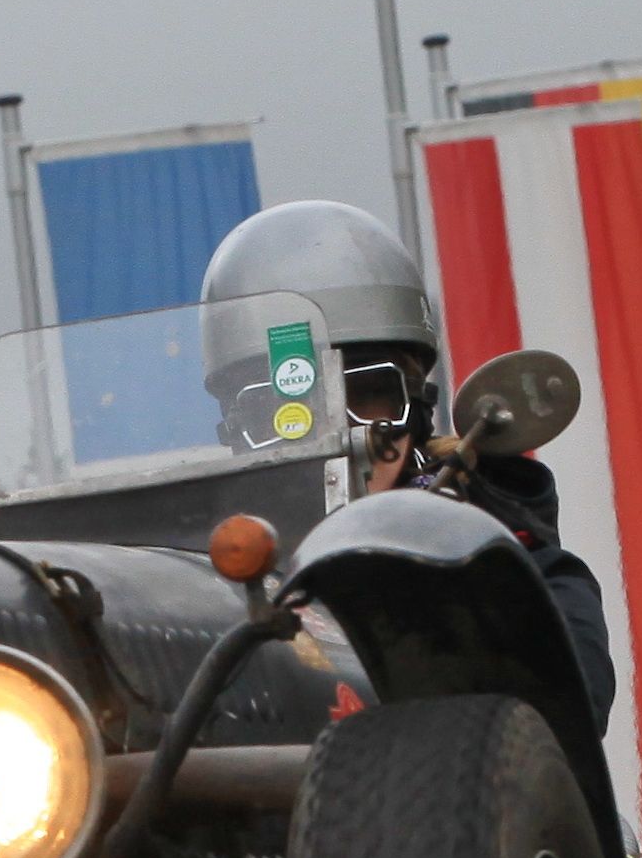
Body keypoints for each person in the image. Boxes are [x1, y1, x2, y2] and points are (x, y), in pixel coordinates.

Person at [198, 199, 617, 723]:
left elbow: (571, 702)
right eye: (290, 411)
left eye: (369, 392)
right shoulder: (195, 583)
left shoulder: (503, 562)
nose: (343, 433)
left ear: (416, 405)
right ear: (240, 430)